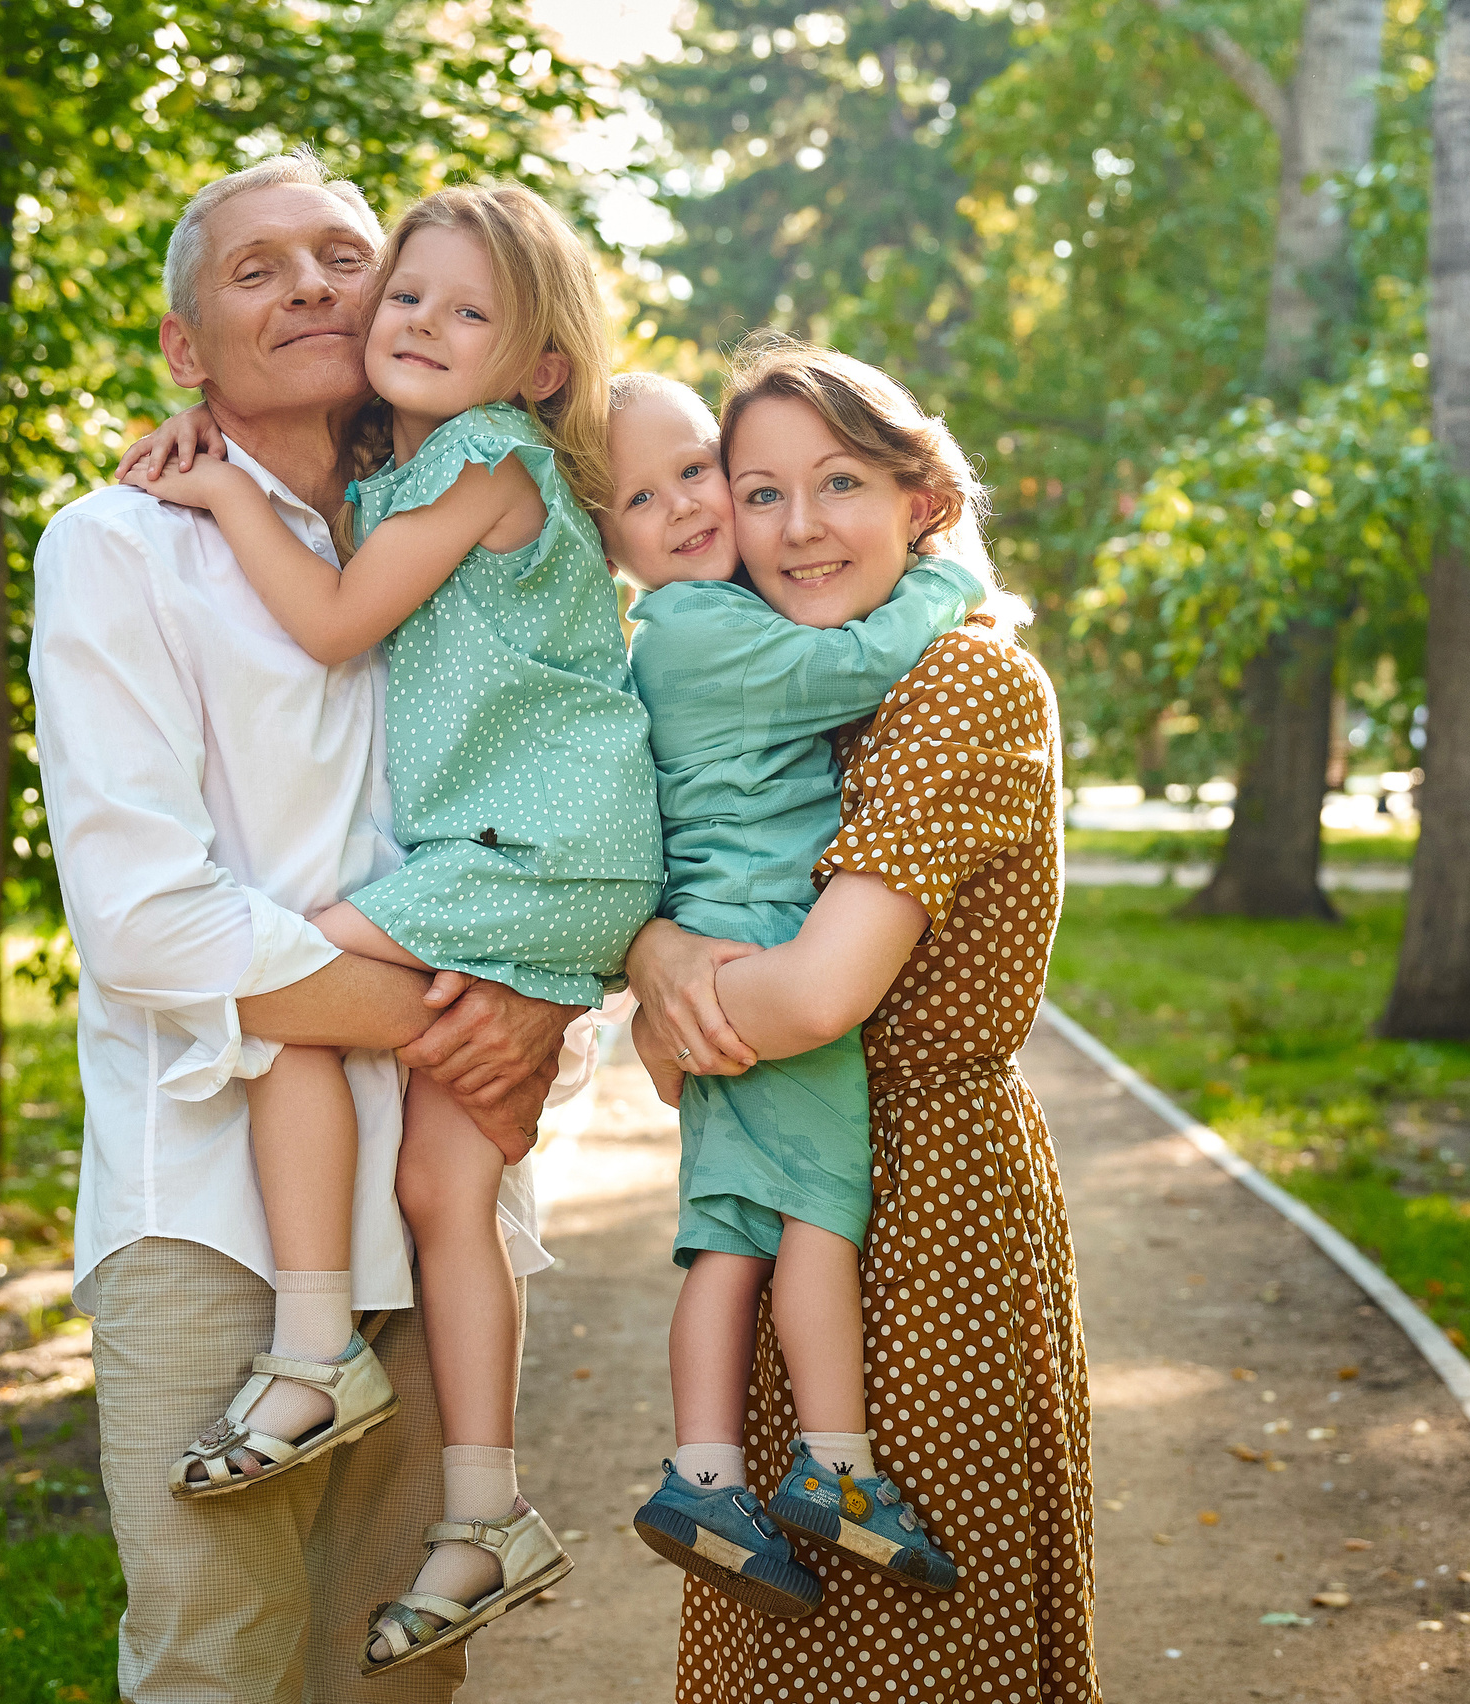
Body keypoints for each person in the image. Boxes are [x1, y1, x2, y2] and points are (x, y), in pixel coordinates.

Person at [31, 149, 582, 1704]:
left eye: (345, 252)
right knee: (224, 1662)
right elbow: (146, 921)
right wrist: (471, 1021)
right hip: (210, 1218)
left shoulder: (489, 541)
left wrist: (558, 1021)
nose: (318, 287)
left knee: (404, 1682)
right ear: (184, 351)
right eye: (257, 269)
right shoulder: (125, 546)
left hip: (450, 1205)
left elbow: (573, 833)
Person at [625, 335, 1100, 1701]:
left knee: (923, 1656)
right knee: (778, 1649)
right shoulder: (797, 672)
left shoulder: (961, 677)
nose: (795, 527)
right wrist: (660, 948)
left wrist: (666, 985)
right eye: (757, 491)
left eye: (837, 482)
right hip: (799, 1198)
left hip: (928, 1215)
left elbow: (811, 996)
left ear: (922, 499)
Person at [596, 372, 978, 1615]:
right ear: (607, 540)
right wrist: (948, 580)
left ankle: (704, 1470)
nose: (688, 508)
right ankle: (834, 1467)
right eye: (640, 498)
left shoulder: (683, 630)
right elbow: (855, 662)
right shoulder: (708, 632)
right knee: (819, 1212)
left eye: (698, 473)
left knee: (725, 1236)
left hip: (719, 939)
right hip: (767, 940)